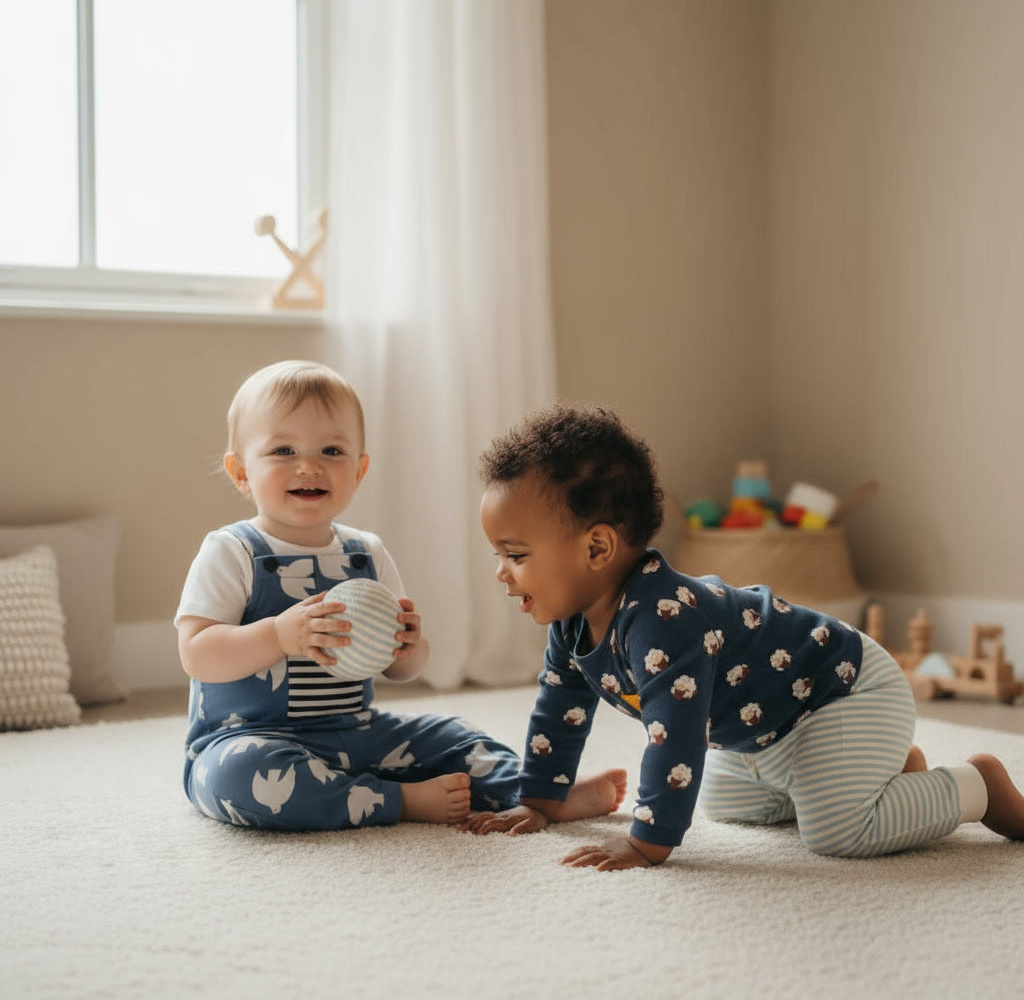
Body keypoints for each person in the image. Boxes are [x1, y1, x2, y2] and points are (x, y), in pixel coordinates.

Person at [463, 402, 1024, 869]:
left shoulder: (663, 621)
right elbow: (559, 709)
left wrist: (646, 842)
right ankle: (883, 772)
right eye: (499, 556)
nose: (501, 572)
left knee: (836, 833)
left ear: (596, 548)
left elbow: (674, 739)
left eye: (515, 555)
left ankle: (978, 784)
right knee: (721, 803)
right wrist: (536, 802)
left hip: (844, 692)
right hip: (769, 731)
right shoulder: (571, 622)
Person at [176, 359, 530, 831]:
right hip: (250, 737)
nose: (309, 465)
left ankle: (537, 790)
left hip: (355, 732)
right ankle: (396, 801)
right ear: (241, 472)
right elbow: (197, 655)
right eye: (283, 449)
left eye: (332, 450)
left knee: (455, 738)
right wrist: (279, 635)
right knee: (237, 778)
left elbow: (400, 669)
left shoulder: (366, 553)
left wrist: (408, 648)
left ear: (359, 471)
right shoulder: (232, 551)